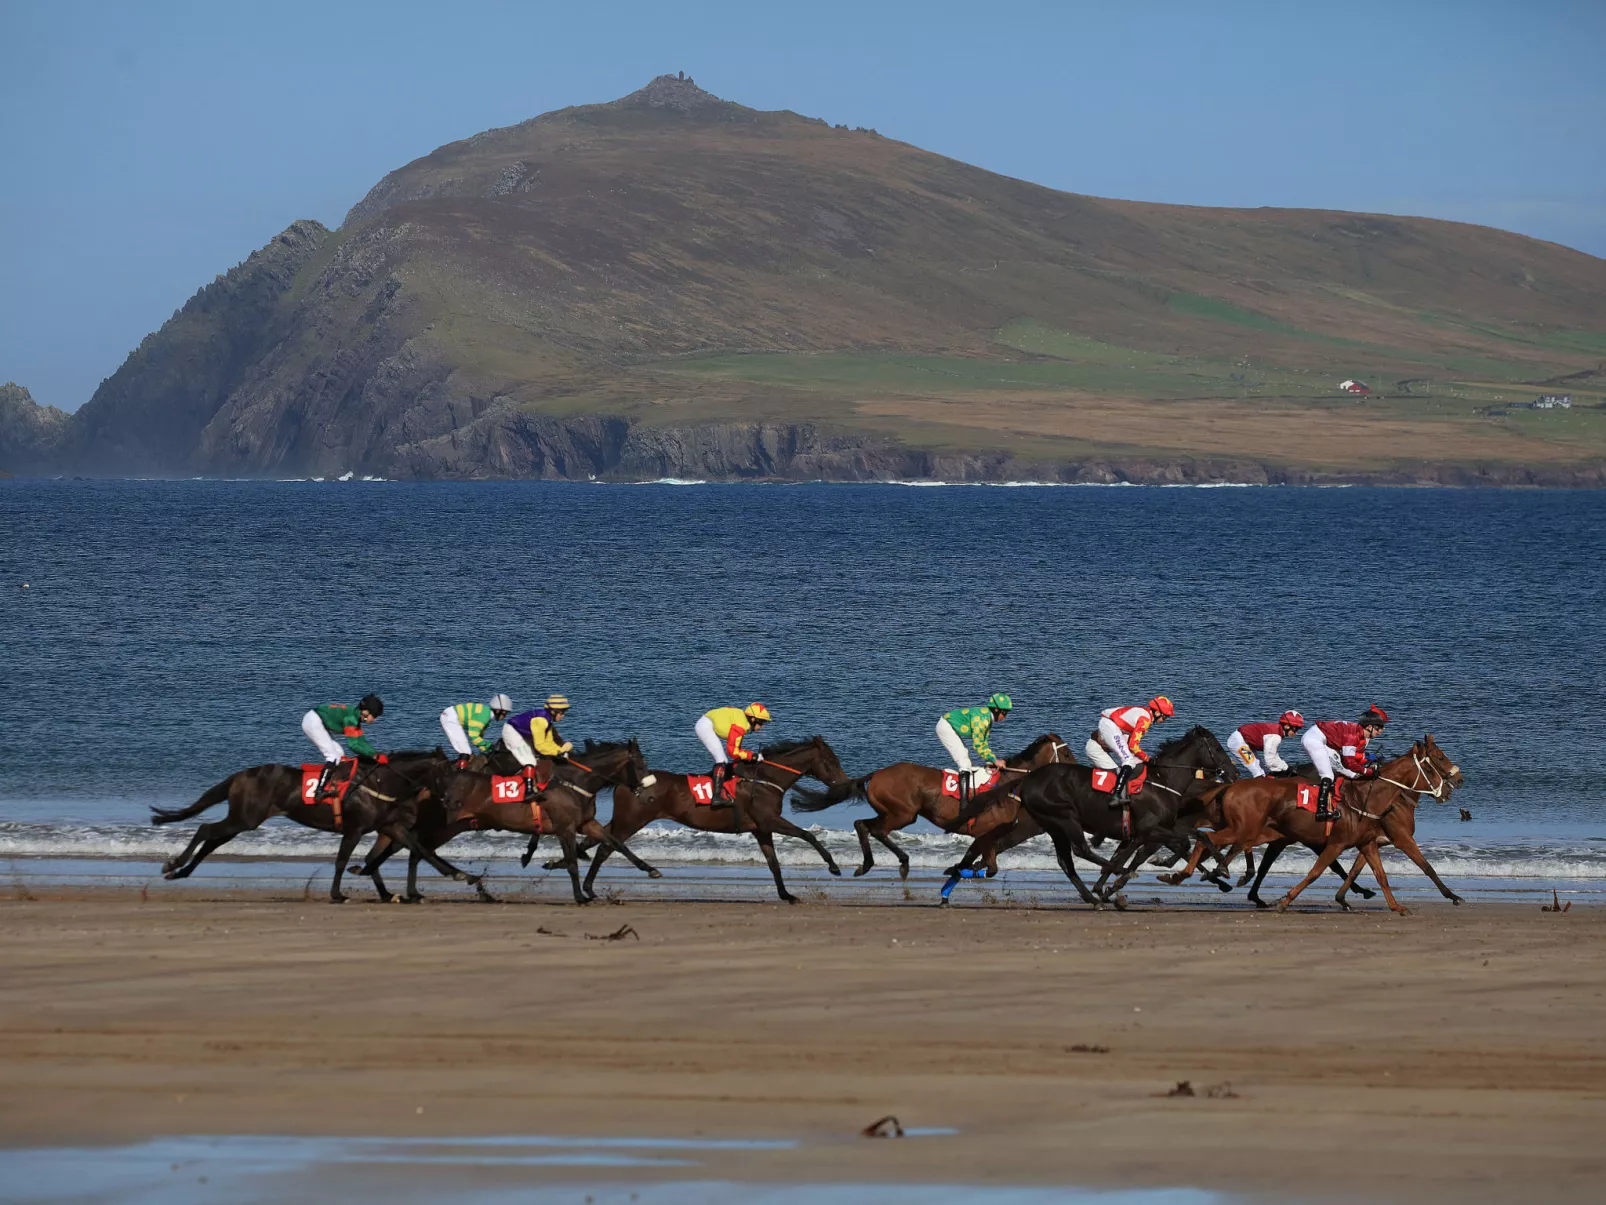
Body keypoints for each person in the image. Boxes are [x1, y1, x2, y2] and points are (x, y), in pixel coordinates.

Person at [1301, 705, 1388, 820]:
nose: (1380, 732)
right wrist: (1367, 771)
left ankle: (1334, 798)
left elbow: (1355, 758)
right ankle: (1321, 810)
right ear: (1369, 727)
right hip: (1313, 740)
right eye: (1378, 728)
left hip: (1323, 739)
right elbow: (1349, 762)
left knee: (1350, 773)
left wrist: (1368, 761)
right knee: (1328, 775)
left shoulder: (1360, 735)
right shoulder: (1352, 736)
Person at [1085, 696, 1174, 804]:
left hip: (1111, 725)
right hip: (1110, 726)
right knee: (1128, 761)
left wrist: (1142, 759)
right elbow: (1133, 745)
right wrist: (1147, 758)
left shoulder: (1145, 714)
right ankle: (1116, 795)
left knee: (1134, 760)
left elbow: (1131, 744)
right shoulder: (1145, 720)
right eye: (1165, 717)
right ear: (1157, 713)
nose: (1164, 720)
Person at [301, 694, 383, 800]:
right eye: (375, 716)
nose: (375, 720)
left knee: (339, 753)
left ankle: (331, 783)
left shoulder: (355, 717)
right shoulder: (351, 719)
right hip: (313, 722)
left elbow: (361, 742)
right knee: (333, 756)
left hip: (316, 719)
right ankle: (319, 791)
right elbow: (353, 745)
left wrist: (375, 754)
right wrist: (374, 755)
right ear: (366, 712)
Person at [696, 704, 771, 806]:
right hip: (705, 726)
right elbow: (733, 752)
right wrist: (753, 756)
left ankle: (712, 781)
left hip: (706, 722)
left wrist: (749, 755)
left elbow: (737, 749)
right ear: (753, 719)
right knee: (722, 760)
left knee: (723, 760)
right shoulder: (740, 726)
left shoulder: (742, 721)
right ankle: (717, 797)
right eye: (761, 722)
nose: (762, 727)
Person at [936, 694, 1013, 790]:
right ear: (996, 710)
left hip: (949, 725)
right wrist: (995, 761)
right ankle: (964, 803)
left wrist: (990, 761)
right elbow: (978, 745)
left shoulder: (987, 718)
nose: (1005, 716)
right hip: (945, 727)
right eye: (1004, 712)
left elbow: (984, 743)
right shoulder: (982, 720)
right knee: (964, 763)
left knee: (965, 755)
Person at [1226, 710, 1304, 778]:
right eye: (1295, 729)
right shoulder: (1275, 736)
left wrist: (1284, 767)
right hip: (1238, 742)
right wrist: (1286, 768)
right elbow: (1270, 761)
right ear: (1287, 726)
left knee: (1265, 772)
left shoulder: (1278, 732)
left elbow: (1274, 755)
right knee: (1258, 772)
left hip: (1247, 743)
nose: (1296, 733)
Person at [502, 695, 573, 769]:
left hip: (521, 733)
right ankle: (526, 780)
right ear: (553, 711)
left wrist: (560, 751)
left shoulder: (548, 721)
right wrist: (558, 752)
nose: (563, 716)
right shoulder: (540, 721)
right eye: (561, 713)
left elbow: (549, 742)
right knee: (530, 762)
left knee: (535, 757)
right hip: (512, 732)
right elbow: (540, 745)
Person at [440, 694, 512, 764]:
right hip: (450, 718)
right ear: (498, 711)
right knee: (465, 751)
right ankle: (461, 773)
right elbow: (474, 736)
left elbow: (479, 738)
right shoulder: (483, 717)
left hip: (451, 716)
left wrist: (488, 749)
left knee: (466, 751)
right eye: (504, 713)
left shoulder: (486, 715)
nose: (504, 716)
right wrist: (489, 746)